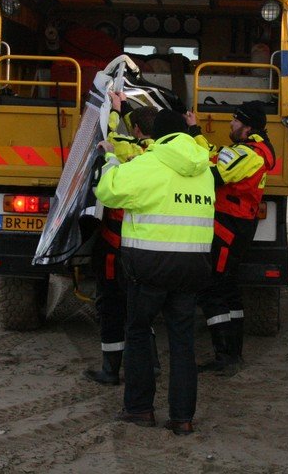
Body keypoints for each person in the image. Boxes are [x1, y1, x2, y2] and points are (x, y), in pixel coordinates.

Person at [95, 109, 214, 436]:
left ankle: (139, 409)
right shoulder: (203, 168)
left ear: (156, 136)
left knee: (138, 332)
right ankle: (182, 418)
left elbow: (108, 192)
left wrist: (110, 161)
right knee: (182, 342)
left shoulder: (148, 163)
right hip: (192, 267)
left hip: (149, 266)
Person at [184, 101, 275, 373]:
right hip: (234, 224)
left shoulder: (250, 153)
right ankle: (232, 353)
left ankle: (226, 357)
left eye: (235, 121)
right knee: (228, 289)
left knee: (214, 289)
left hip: (230, 226)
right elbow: (215, 155)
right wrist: (195, 131)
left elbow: (214, 174)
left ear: (247, 127)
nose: (230, 125)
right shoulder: (244, 150)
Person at [84, 91, 158, 385]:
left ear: (136, 130)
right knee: (140, 308)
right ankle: (150, 365)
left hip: (115, 246)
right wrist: (126, 108)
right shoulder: (160, 157)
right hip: (145, 247)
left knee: (111, 308)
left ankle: (110, 370)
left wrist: (114, 111)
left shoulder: (123, 150)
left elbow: (108, 132)